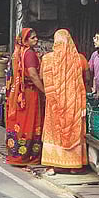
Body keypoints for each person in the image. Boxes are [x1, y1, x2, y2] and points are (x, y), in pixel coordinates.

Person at [40, 29, 89, 172]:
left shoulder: (47, 59)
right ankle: (73, 166)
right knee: (74, 131)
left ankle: (52, 166)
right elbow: (87, 78)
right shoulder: (80, 59)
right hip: (74, 104)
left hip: (54, 103)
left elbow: (43, 78)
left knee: (54, 132)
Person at [4, 28, 44, 167]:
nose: (36, 39)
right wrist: (44, 90)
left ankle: (16, 154)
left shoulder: (17, 52)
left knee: (20, 122)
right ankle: (27, 156)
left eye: (36, 37)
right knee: (29, 122)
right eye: (32, 38)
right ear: (25, 40)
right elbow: (33, 75)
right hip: (28, 93)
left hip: (18, 94)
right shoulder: (29, 54)